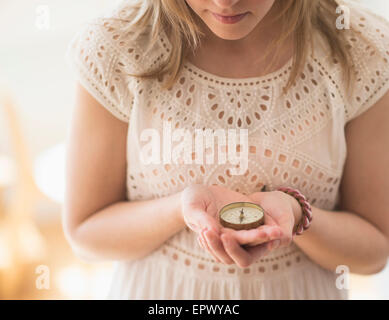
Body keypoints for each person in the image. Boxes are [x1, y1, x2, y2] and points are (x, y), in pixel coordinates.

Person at [63, 0, 389, 299]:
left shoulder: (361, 50)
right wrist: (180, 209)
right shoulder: (115, 48)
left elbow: (374, 250)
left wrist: (298, 214)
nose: (226, 2)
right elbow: (86, 233)